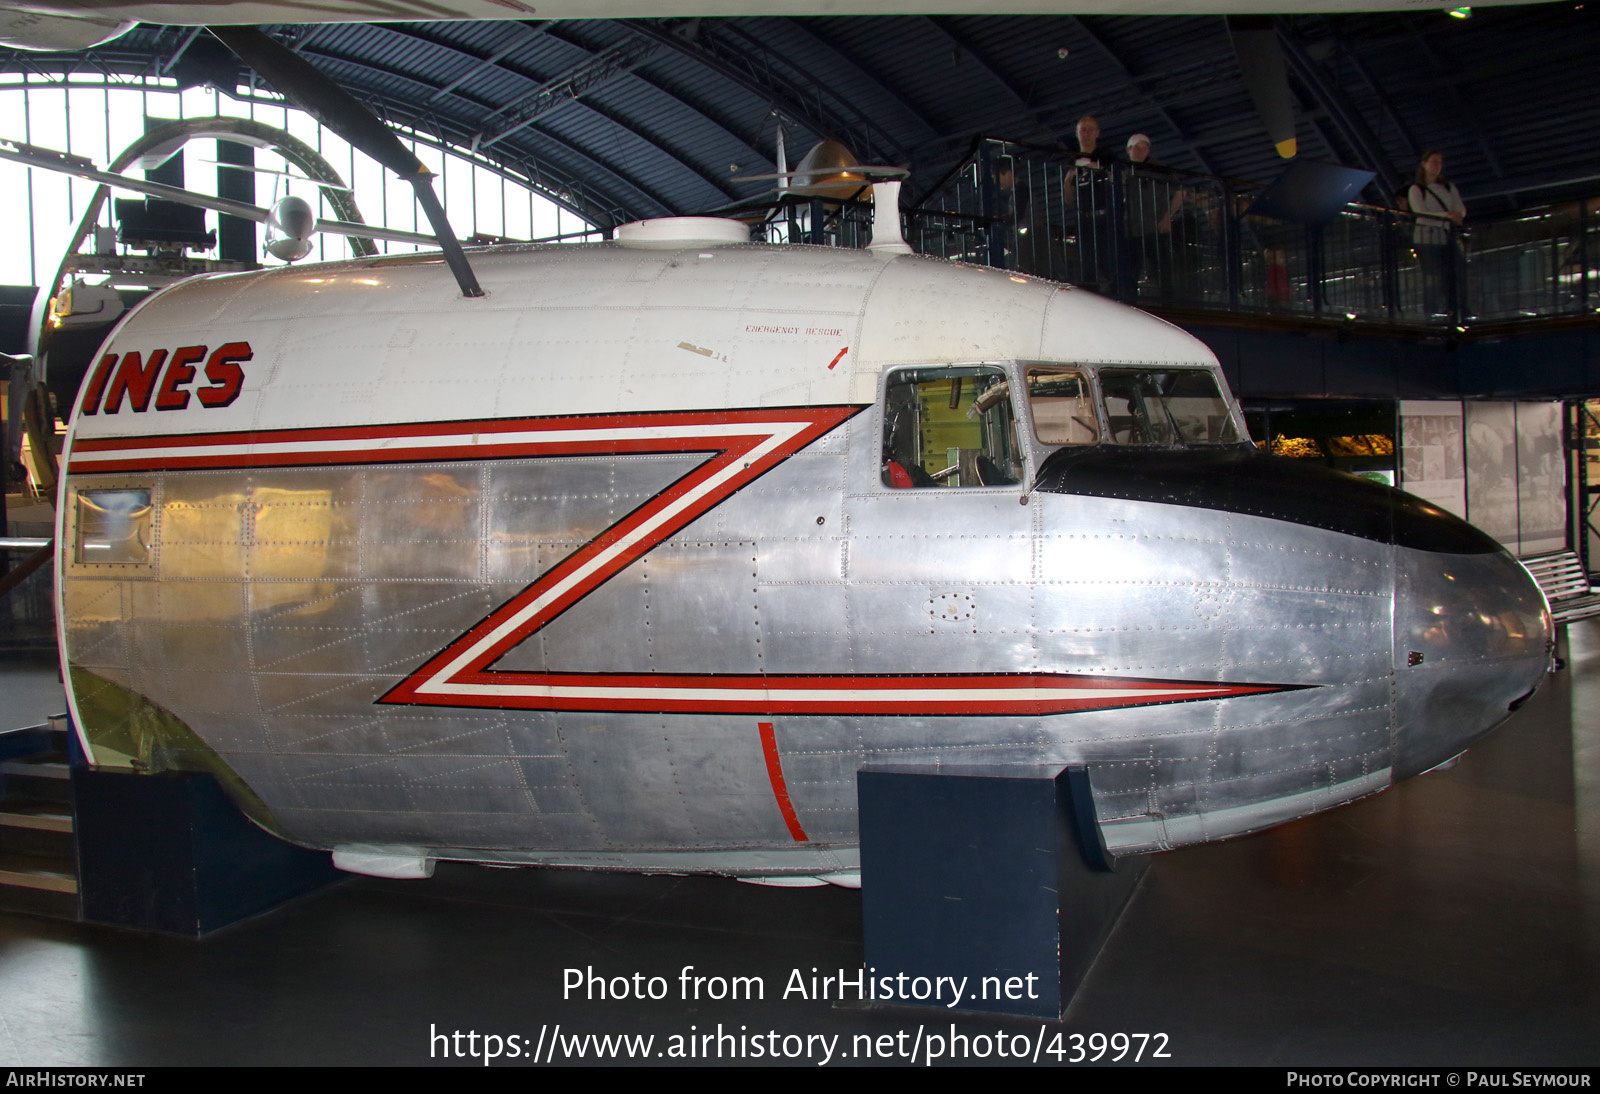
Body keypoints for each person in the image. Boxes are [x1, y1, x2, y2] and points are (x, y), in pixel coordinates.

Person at [1123, 133, 1186, 298]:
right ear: (1129, 149)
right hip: (1132, 231)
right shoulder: (1123, 172)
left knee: (1162, 272)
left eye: (1144, 148)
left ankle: (1168, 306)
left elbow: (1180, 191)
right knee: (1130, 273)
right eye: (1137, 147)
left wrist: (1168, 217)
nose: (1141, 151)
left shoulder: (1158, 169)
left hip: (1155, 230)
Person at [1407, 150, 1466, 317]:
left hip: (1445, 235)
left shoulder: (1448, 187)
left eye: (1439, 162)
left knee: (1455, 271)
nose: (1437, 165)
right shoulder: (1416, 189)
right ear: (1424, 164)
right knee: (1433, 275)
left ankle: (1455, 308)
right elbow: (1421, 212)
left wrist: (1456, 215)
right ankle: (1431, 311)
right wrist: (1447, 216)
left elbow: (1459, 208)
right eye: (1433, 162)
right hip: (1426, 238)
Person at [1064, 115, 1114, 293]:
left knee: (1108, 261)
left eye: (1089, 130)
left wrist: (1098, 168)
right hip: (1083, 219)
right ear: (1077, 134)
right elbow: (1068, 198)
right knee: (1086, 265)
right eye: (1082, 130)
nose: (1086, 134)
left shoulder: (1106, 156)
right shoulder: (1071, 161)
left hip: (1103, 217)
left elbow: (1117, 180)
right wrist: (1067, 180)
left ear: (1097, 133)